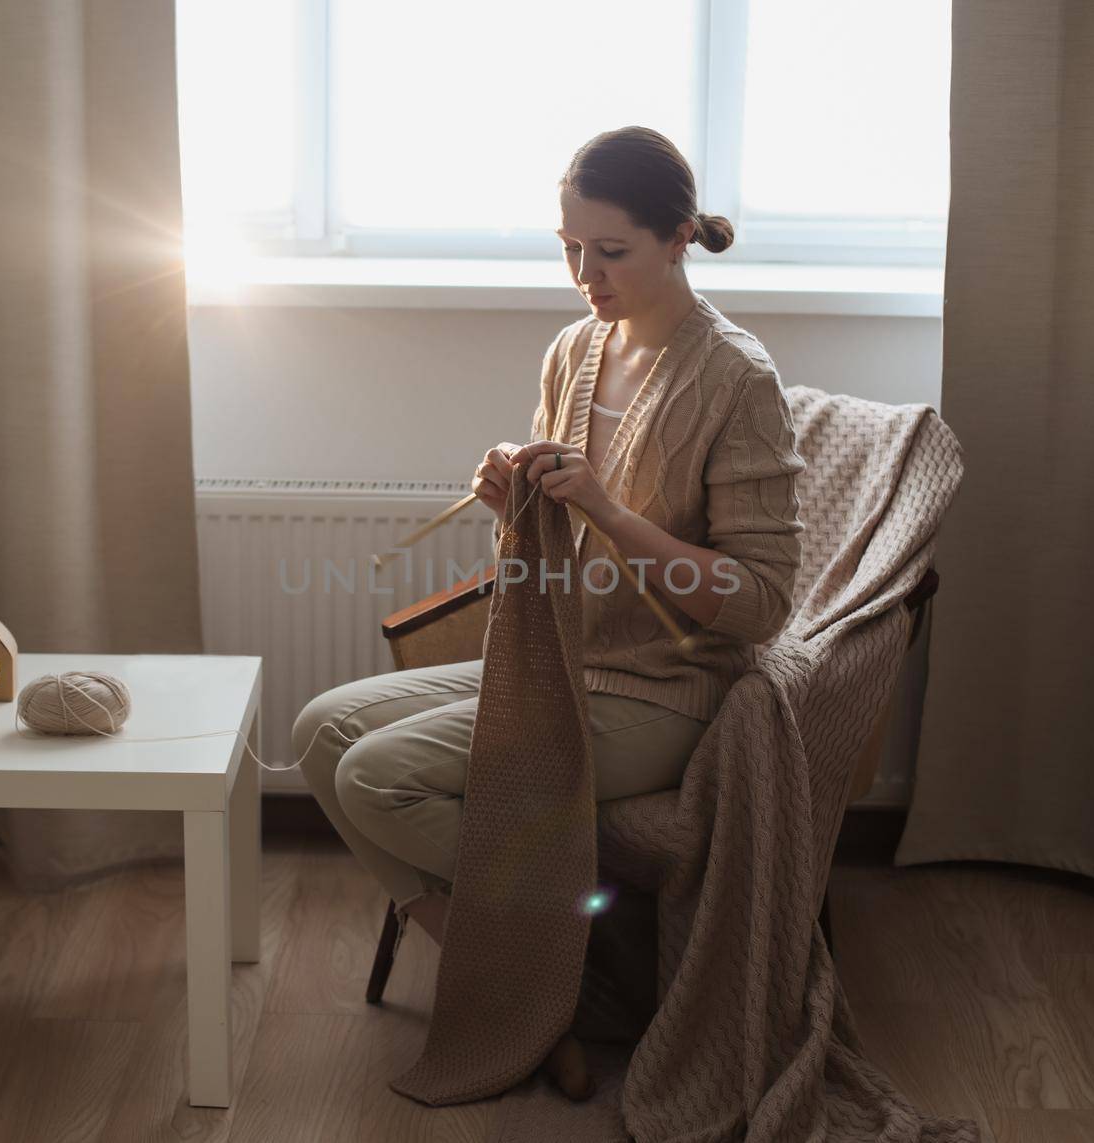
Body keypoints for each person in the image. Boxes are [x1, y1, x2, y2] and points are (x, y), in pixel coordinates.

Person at [294, 125, 807, 1101]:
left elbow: (761, 604)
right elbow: (558, 551)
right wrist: (518, 504)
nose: (585, 275)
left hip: (665, 690)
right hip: (562, 660)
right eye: (568, 247)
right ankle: (540, 988)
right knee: (320, 731)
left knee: (374, 778)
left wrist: (606, 508)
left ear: (678, 237)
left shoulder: (737, 380)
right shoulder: (575, 349)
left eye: (609, 252)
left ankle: (543, 982)